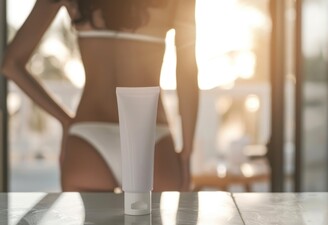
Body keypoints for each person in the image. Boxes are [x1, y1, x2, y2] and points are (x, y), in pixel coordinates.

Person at [2, 0, 199, 192]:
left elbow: (10, 65)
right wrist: (187, 153)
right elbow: (187, 75)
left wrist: (65, 120)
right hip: (152, 139)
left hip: (88, 138)